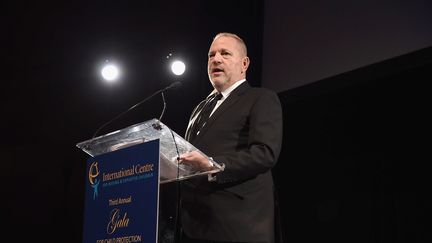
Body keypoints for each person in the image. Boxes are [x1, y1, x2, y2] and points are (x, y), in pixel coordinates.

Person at [179, 32, 283, 243]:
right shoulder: (200, 108)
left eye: (225, 53)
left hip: (237, 225)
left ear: (244, 63)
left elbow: (265, 153)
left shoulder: (261, 98)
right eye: (211, 55)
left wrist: (212, 165)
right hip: (194, 225)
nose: (216, 59)